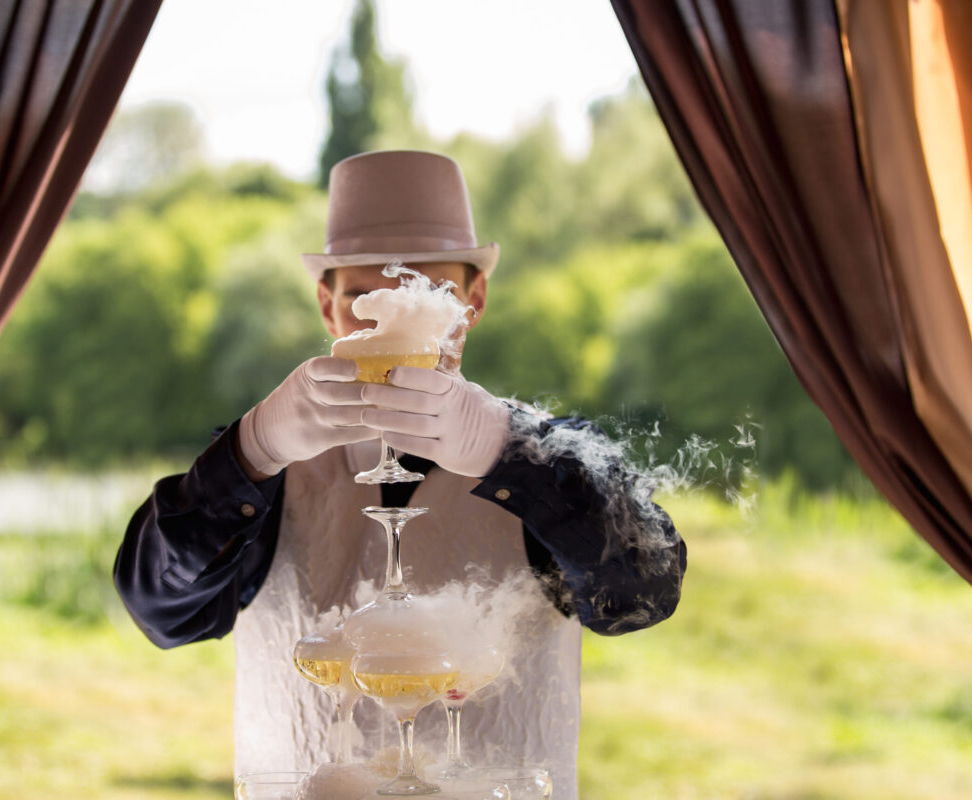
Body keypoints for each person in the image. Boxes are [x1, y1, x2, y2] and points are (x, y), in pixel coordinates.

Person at [113, 150, 686, 798]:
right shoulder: (264, 467)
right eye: (364, 296)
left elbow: (645, 593)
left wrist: (506, 447)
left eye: (427, 293)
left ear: (472, 303)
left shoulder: (548, 457)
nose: (391, 316)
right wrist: (252, 448)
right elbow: (161, 611)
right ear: (328, 309)